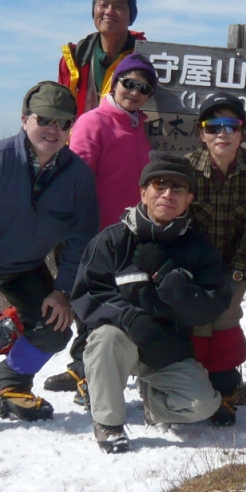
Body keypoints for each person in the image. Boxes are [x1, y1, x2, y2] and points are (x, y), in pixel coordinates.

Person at [0, 82, 98, 440]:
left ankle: (10, 387)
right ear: (25, 119)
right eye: (45, 120)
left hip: (23, 265)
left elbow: (81, 240)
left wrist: (62, 290)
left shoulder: (78, 177)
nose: (54, 130)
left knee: (55, 326)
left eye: (64, 123)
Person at [70, 153, 231, 453]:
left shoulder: (198, 248)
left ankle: (152, 404)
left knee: (201, 406)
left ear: (189, 199)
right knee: (106, 338)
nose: (168, 194)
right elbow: (88, 293)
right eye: (159, 185)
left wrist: (171, 280)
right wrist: (131, 319)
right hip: (121, 341)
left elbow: (213, 302)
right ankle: (109, 422)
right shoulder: (112, 241)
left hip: (167, 349)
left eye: (178, 189)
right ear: (143, 192)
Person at [43, 53, 158, 401]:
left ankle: (83, 368)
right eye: (129, 83)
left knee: (107, 303)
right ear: (115, 82)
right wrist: (79, 233)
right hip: (93, 236)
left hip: (127, 236)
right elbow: (76, 181)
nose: (135, 92)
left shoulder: (139, 125)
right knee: (93, 305)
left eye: (144, 88)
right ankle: (88, 375)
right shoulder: (94, 122)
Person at [186, 93, 246, 425]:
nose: (223, 134)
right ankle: (194, 386)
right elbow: (182, 224)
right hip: (193, 265)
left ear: (242, 132)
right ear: (202, 133)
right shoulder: (188, 169)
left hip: (234, 262)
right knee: (196, 322)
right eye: (214, 126)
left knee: (224, 320)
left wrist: (237, 273)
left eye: (231, 126)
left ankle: (224, 391)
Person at [58, 0, 146, 118]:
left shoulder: (143, 60)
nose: (109, 11)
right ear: (94, 10)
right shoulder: (73, 59)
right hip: (78, 139)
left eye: (119, 6)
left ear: (131, 15)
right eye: (103, 4)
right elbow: (60, 110)